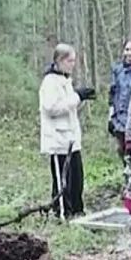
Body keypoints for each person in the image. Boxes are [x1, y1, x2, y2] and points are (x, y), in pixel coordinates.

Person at [39, 43, 96, 219]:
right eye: (70, 61)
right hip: (58, 140)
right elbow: (51, 108)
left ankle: (78, 211)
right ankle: (63, 212)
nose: (73, 64)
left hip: (71, 139)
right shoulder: (49, 82)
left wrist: (79, 97)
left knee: (77, 178)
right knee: (63, 180)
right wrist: (77, 97)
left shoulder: (65, 80)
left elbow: (68, 107)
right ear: (60, 60)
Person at [108, 38, 131, 165]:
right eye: (127, 49)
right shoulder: (118, 70)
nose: (129, 53)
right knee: (122, 151)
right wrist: (110, 117)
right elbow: (112, 94)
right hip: (120, 118)